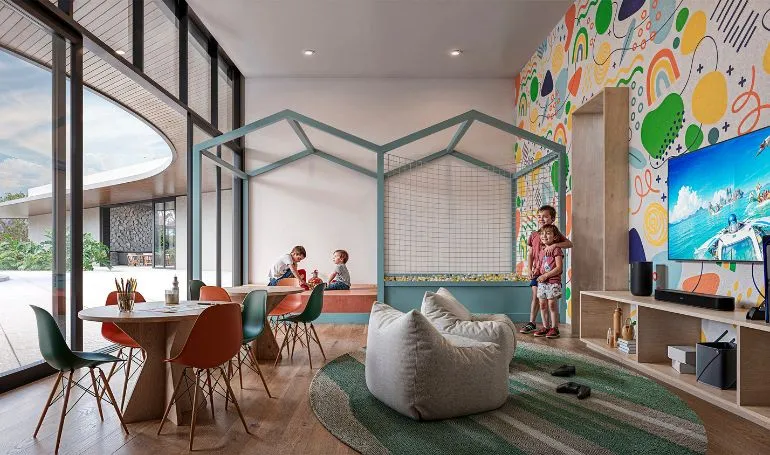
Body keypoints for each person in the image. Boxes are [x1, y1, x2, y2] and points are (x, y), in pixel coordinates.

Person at [519, 205, 572, 335]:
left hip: (549, 275)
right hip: (537, 272)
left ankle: (552, 327)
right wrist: (529, 269)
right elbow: (530, 254)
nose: (541, 219)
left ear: (552, 219)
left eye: (545, 216)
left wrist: (555, 245)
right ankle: (532, 323)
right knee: (536, 297)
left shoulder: (554, 234)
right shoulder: (534, 235)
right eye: (539, 216)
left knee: (549, 302)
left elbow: (569, 244)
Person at [532, 224, 565, 339]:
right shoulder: (541, 251)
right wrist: (536, 271)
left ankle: (554, 328)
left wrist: (546, 275)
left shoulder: (556, 249)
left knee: (551, 304)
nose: (544, 235)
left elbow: (559, 268)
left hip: (553, 281)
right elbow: (539, 265)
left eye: (548, 233)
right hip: (542, 282)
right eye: (542, 233)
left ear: (555, 237)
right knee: (542, 304)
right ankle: (545, 327)